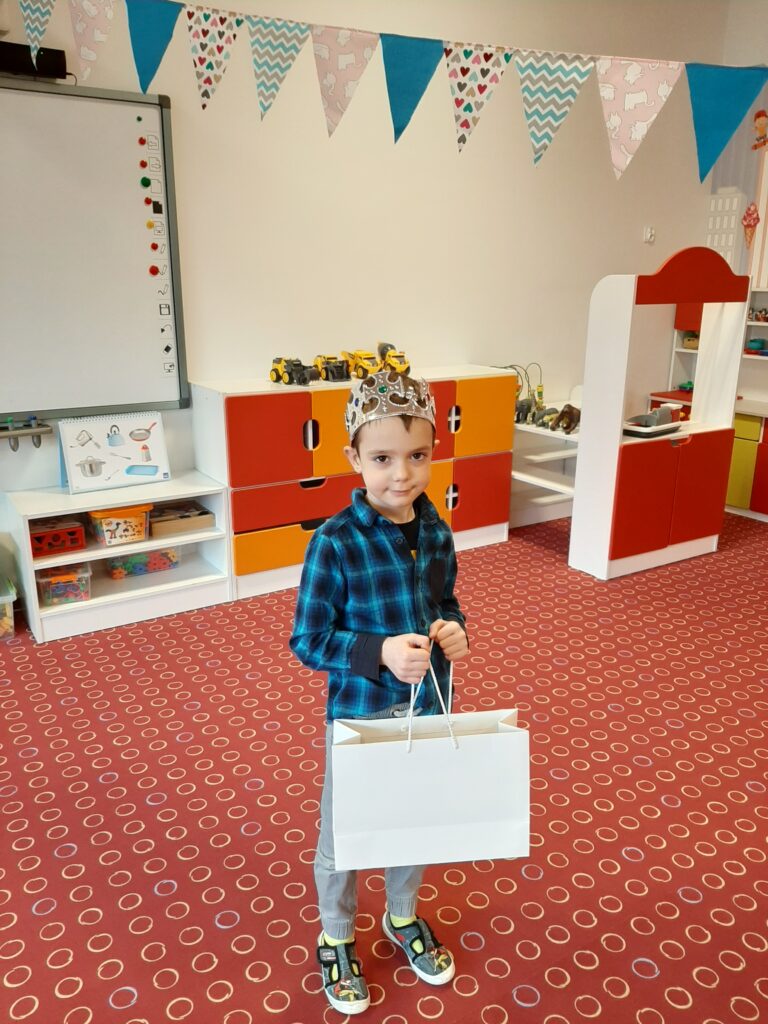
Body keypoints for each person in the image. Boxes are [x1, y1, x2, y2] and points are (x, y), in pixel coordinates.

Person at [290, 369, 469, 1015]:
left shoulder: (437, 529)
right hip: (361, 715)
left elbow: (445, 602)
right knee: (345, 833)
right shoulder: (334, 542)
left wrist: (455, 632)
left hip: (427, 707)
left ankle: (401, 915)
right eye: (383, 458)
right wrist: (379, 652)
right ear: (354, 458)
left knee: (413, 822)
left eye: (418, 456)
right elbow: (308, 639)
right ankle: (336, 934)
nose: (403, 474)